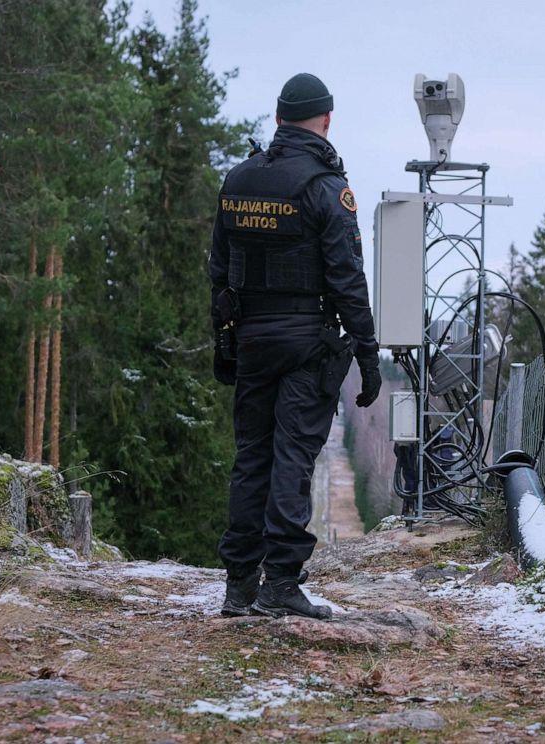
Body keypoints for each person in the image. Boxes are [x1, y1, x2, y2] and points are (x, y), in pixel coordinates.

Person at [208, 73, 381, 620]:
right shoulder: (326, 186)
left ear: (278, 118)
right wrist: (369, 355)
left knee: (252, 457)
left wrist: (226, 341)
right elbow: (348, 279)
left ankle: (239, 586)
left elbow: (219, 270)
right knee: (292, 458)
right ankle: (279, 583)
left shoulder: (237, 180)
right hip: (307, 343)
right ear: (326, 121)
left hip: (252, 339)